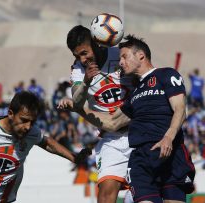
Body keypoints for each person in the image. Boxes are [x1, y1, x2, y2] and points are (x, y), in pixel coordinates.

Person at [60, 35, 195, 203]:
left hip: (168, 151)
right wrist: (78, 109)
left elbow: (181, 109)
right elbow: (112, 123)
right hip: (137, 155)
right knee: (109, 193)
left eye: (124, 57)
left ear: (140, 55)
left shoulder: (166, 74)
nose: (121, 62)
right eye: (120, 58)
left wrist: (168, 136)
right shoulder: (133, 95)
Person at [66, 25, 134, 203]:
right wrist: (86, 82)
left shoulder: (119, 53)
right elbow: (77, 102)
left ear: (95, 43)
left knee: (141, 192)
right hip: (110, 138)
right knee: (105, 195)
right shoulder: (78, 70)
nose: (82, 59)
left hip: (138, 132)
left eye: (84, 52)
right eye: (76, 56)